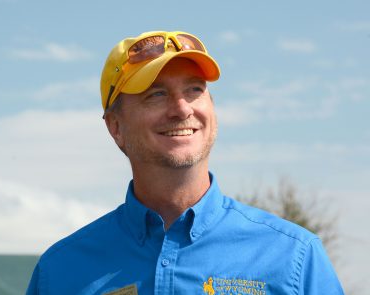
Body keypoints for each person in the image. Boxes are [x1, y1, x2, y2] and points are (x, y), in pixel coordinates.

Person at [26, 31, 344, 295]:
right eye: (156, 94)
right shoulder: (59, 271)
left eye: (194, 89)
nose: (181, 108)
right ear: (116, 127)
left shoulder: (294, 256)